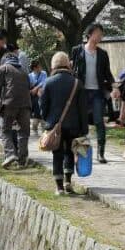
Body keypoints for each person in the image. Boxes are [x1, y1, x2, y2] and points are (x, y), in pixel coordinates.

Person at [41, 52, 88, 195]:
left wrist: (47, 121)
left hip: (56, 126)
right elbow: (83, 108)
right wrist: (84, 129)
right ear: (68, 64)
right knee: (69, 152)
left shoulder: (48, 82)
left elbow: (43, 106)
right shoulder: (77, 83)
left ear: (53, 65)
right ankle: (68, 181)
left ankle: (59, 187)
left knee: (57, 153)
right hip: (74, 126)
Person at [71, 23, 116, 163]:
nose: (100, 36)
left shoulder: (103, 54)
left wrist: (115, 88)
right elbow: (71, 70)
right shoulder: (77, 50)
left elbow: (107, 73)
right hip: (81, 92)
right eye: (98, 33)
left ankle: (100, 153)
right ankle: (80, 153)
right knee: (80, 123)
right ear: (90, 34)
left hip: (97, 92)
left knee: (99, 122)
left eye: (101, 34)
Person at [0, 51, 32, 168]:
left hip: (9, 103)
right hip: (25, 105)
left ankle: (10, 154)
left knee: (5, 130)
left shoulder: (3, 69)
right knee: (24, 132)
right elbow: (29, 87)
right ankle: (22, 160)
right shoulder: (24, 71)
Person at [29, 60, 47, 135]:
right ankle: (35, 125)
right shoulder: (30, 75)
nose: (41, 68)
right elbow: (29, 86)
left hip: (40, 93)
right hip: (33, 95)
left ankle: (38, 124)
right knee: (36, 105)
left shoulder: (44, 73)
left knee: (39, 103)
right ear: (35, 68)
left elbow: (44, 82)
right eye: (39, 66)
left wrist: (36, 88)